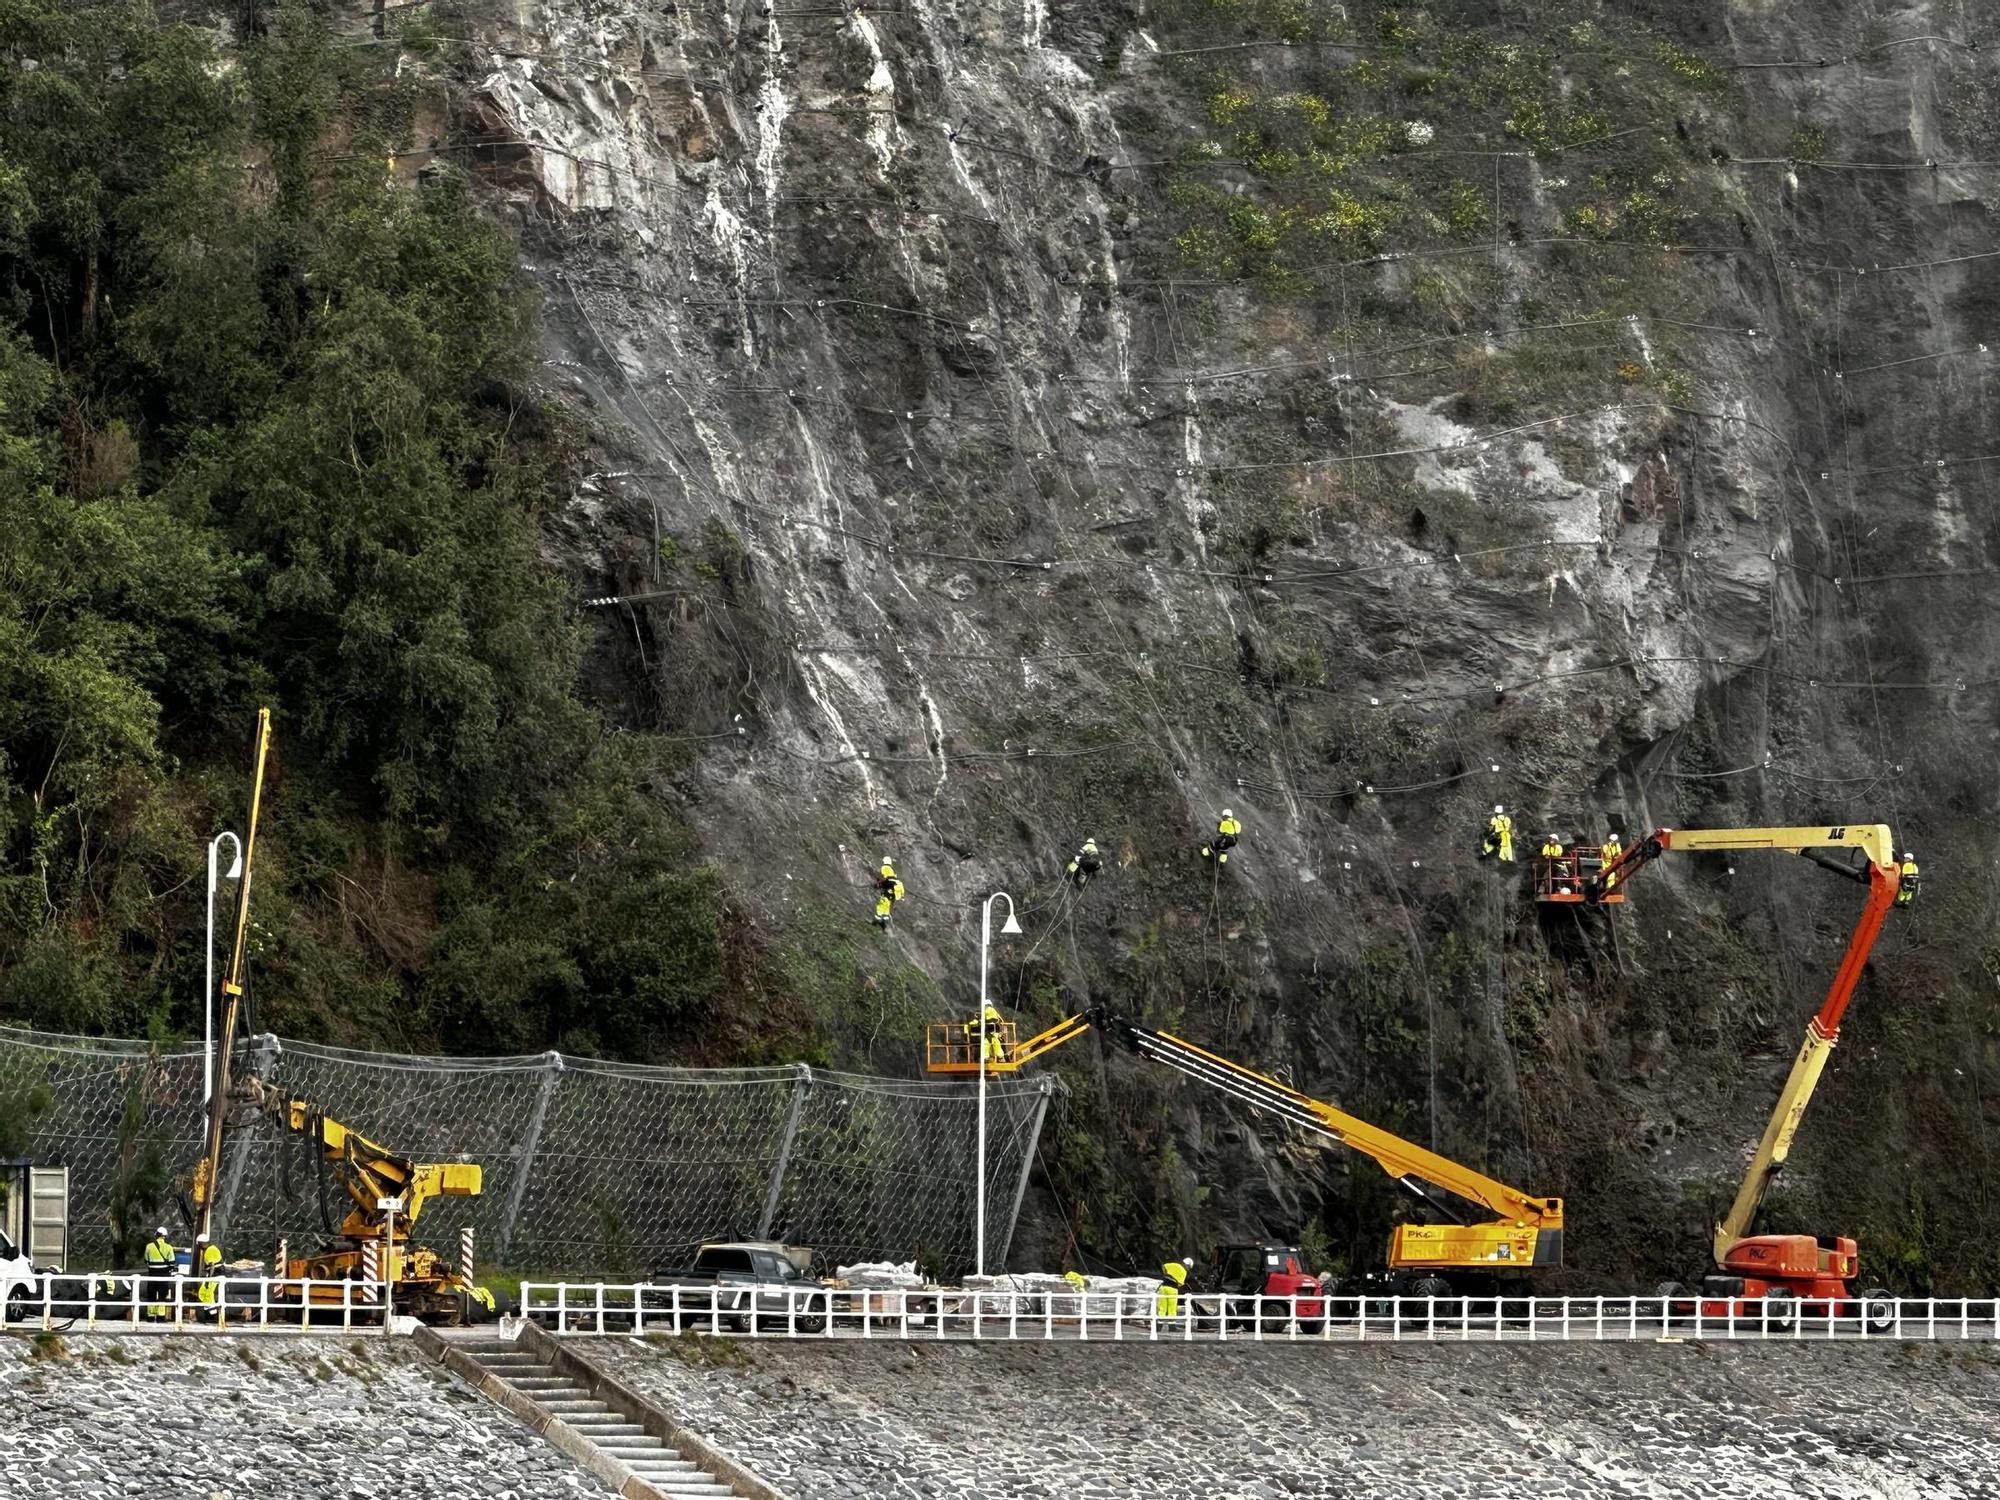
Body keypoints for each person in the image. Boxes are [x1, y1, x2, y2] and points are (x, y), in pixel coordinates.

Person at [142, 1226, 178, 1320]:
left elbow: (146, 1260)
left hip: (152, 1273)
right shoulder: (169, 1247)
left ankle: (150, 1316)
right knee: (162, 1294)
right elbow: (172, 1262)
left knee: (151, 1294)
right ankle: (161, 1316)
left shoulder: (149, 1246)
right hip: (164, 1273)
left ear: (156, 1235)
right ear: (165, 1236)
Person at [193, 1236, 223, 1320]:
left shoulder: (210, 1250)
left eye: (198, 1244)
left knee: (207, 1293)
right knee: (204, 1293)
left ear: (201, 1243)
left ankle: (211, 1315)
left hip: (215, 1275)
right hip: (215, 1274)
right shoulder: (211, 1249)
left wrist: (208, 1280)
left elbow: (212, 1266)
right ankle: (209, 1313)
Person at [872, 859, 905, 927]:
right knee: (887, 904)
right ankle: (884, 921)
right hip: (896, 889)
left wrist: (877, 884)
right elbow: (889, 880)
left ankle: (876, 920)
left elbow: (884, 878)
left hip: (890, 889)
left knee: (883, 903)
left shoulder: (885, 867)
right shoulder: (893, 871)